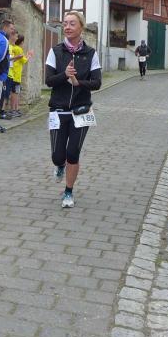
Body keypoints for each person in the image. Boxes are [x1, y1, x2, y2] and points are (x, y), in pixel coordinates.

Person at [45, 11, 102, 208]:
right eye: (65, 23)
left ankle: (68, 192)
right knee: (57, 156)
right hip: (58, 110)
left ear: (81, 27)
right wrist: (65, 74)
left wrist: (78, 82)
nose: (67, 27)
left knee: (73, 153)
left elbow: (97, 83)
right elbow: (49, 81)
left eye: (72, 23)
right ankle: (59, 166)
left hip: (81, 111)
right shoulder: (55, 51)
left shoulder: (91, 53)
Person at [6, 33, 32, 119]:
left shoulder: (14, 48)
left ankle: (15, 109)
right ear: (22, 42)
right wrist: (29, 56)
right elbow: (24, 61)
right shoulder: (18, 49)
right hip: (16, 75)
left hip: (13, 74)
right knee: (15, 93)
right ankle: (14, 110)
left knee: (15, 92)